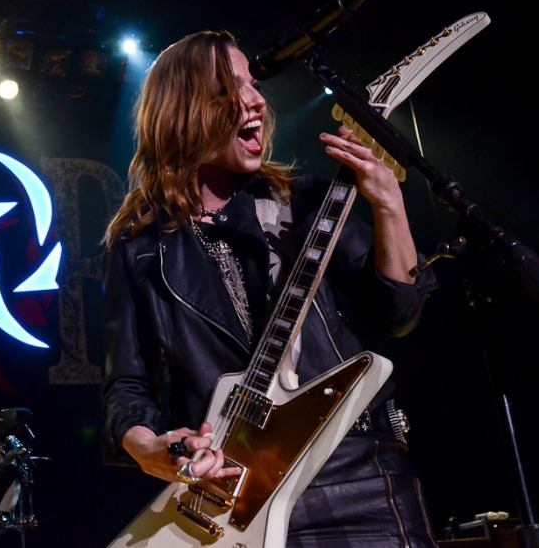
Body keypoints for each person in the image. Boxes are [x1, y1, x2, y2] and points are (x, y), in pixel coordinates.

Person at [101, 30, 439, 546]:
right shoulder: (140, 246)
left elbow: (398, 313)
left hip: (358, 473)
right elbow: (127, 385)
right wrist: (153, 450)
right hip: (233, 492)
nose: (255, 100)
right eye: (227, 90)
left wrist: (389, 204)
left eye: (253, 85)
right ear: (182, 111)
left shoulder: (303, 202)